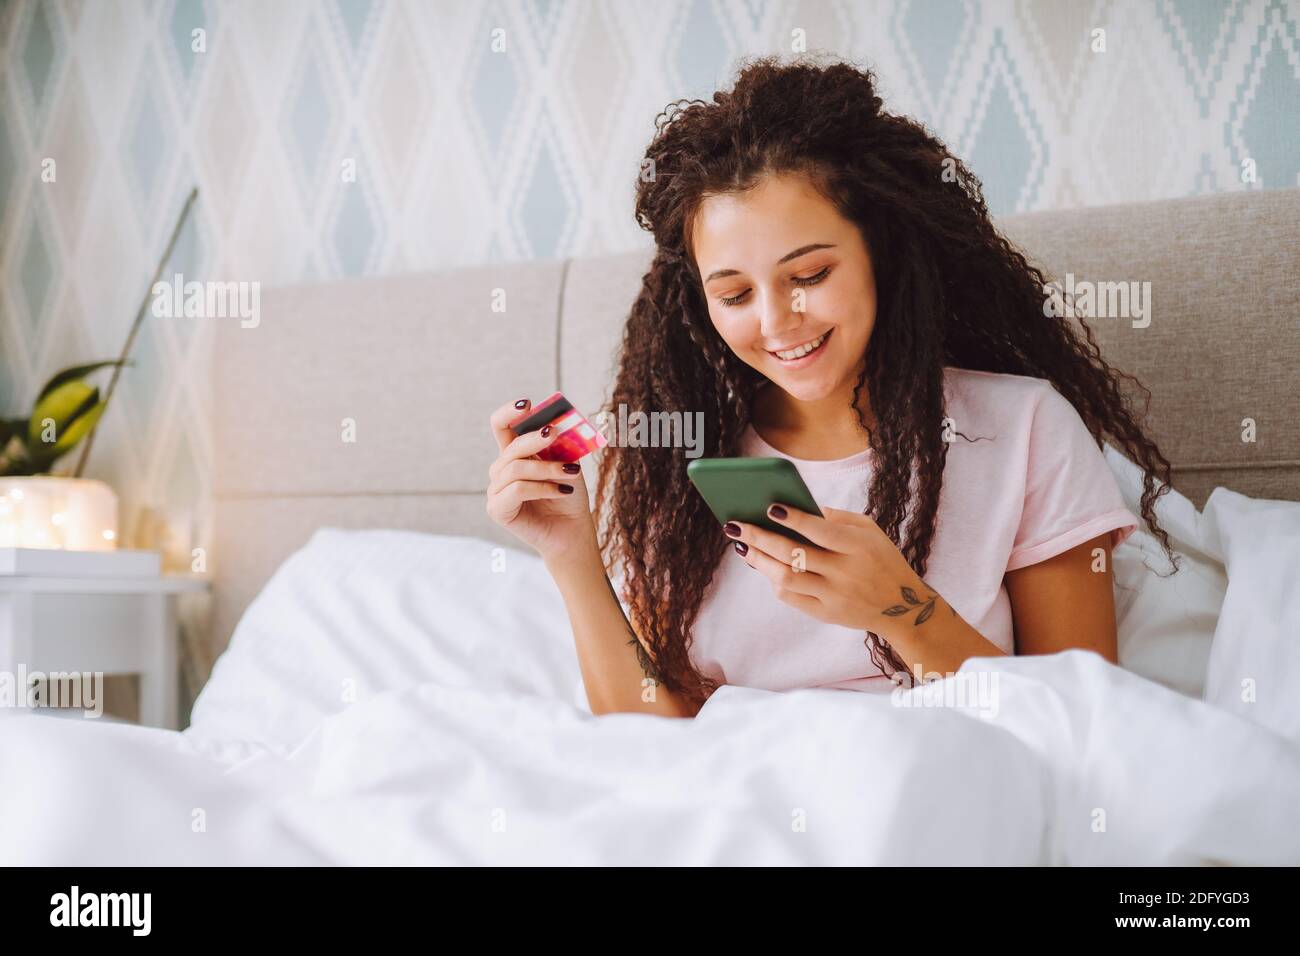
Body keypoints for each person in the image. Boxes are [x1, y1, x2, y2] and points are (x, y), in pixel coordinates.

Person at [486, 55, 1177, 718]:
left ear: (881, 249)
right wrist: (572, 556)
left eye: (809, 276)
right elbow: (655, 733)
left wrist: (902, 608)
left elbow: (1084, 720)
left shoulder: (1023, 427)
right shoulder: (675, 464)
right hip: (737, 797)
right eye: (733, 294)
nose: (775, 321)